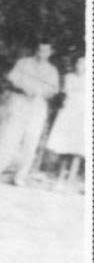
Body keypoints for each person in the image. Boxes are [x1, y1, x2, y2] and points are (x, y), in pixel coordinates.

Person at [0, 42, 60, 185]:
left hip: (38, 106)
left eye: (45, 51)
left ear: (50, 53)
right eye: (39, 50)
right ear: (36, 50)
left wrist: (41, 93)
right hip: (20, 102)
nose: (41, 53)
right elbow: (12, 78)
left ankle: (20, 176)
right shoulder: (23, 63)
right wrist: (23, 87)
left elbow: (53, 90)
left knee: (31, 141)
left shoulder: (52, 70)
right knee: (8, 138)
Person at [47, 56, 85, 189]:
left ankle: (70, 182)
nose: (80, 66)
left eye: (84, 64)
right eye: (78, 63)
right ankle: (59, 180)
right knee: (64, 148)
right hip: (68, 114)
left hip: (82, 116)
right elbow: (63, 95)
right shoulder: (69, 77)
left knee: (77, 150)